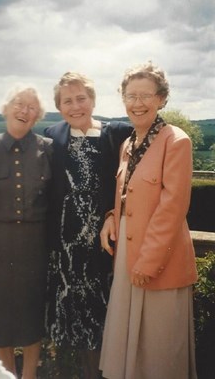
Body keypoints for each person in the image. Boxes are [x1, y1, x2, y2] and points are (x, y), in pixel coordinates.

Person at [99, 62, 198, 379]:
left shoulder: (176, 141)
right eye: (130, 95)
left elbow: (172, 207)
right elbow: (131, 195)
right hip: (128, 253)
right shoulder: (128, 145)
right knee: (133, 349)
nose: (137, 103)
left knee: (158, 347)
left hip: (158, 258)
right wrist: (112, 216)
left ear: (161, 99)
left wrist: (148, 262)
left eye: (145, 95)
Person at [44, 72, 133, 378]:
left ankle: (109, 370)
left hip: (104, 238)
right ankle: (77, 371)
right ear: (59, 106)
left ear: (93, 101)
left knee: (105, 306)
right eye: (67, 100)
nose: (76, 105)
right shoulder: (52, 135)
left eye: (81, 98)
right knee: (72, 309)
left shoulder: (118, 132)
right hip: (66, 240)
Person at [0, 85, 53, 379]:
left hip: (35, 242)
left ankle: (30, 374)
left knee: (33, 308)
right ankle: (5, 373)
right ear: (6, 109)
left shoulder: (48, 149)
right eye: (18, 104)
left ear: (38, 116)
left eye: (31, 107)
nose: (24, 110)